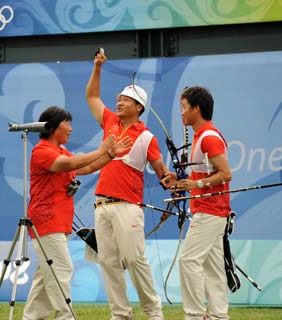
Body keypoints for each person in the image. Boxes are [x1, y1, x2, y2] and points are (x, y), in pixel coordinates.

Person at [23, 106, 132, 320]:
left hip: (58, 222)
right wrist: (102, 150)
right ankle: (66, 316)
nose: (70, 129)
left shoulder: (60, 151)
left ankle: (32, 317)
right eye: (66, 123)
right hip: (46, 221)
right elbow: (71, 164)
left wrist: (109, 154)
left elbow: (86, 167)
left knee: (47, 276)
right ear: (52, 127)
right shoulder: (42, 151)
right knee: (61, 269)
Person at [85, 51, 169, 320]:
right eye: (119, 98)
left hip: (128, 207)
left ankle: (153, 311)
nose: (119, 102)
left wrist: (171, 180)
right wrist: (98, 68)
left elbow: (162, 173)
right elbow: (92, 98)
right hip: (101, 205)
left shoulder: (147, 137)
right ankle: (121, 314)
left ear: (139, 107)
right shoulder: (109, 121)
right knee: (108, 264)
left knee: (134, 260)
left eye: (126, 99)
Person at [161, 86, 232, 320]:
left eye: (184, 107)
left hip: (210, 211)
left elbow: (225, 174)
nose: (181, 112)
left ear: (197, 109)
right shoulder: (202, 137)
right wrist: (183, 180)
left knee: (188, 260)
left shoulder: (209, 137)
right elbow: (205, 175)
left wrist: (196, 186)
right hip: (211, 210)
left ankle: (194, 315)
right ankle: (219, 316)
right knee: (212, 269)